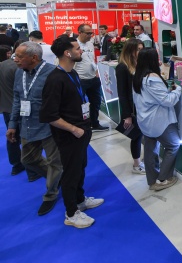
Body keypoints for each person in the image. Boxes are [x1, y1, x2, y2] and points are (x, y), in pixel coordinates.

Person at [40, 36, 105, 229]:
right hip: (70, 135)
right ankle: (71, 213)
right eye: (77, 49)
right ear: (67, 53)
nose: (81, 51)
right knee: (70, 173)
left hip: (81, 132)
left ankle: (79, 200)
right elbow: (50, 115)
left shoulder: (72, 73)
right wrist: (73, 129)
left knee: (80, 167)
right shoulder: (55, 79)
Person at [7, 42, 62, 216]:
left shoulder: (53, 73)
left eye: (19, 56)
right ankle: (56, 177)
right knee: (28, 160)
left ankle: (50, 194)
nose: (14, 59)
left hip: (50, 125)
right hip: (27, 123)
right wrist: (12, 124)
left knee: (55, 162)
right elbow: (17, 99)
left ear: (34, 58)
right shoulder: (18, 73)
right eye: (15, 55)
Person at [132, 48, 181, 191]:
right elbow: (167, 100)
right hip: (158, 121)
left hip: (144, 120)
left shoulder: (137, 75)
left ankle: (152, 180)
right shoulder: (152, 78)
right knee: (173, 145)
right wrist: (177, 90)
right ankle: (163, 178)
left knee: (150, 148)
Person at [0, 45, 37, 180]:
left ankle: (16, 165)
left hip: (6, 108)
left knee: (12, 138)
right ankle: (32, 171)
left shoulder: (3, 66)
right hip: (20, 109)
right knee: (26, 139)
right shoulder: (17, 68)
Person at [115, 38, 145, 174]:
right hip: (132, 109)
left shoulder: (139, 64)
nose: (140, 52)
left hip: (142, 106)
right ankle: (136, 163)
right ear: (130, 50)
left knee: (142, 135)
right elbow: (122, 93)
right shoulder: (122, 67)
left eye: (141, 49)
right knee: (136, 136)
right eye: (138, 49)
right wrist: (127, 115)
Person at [74, 24, 108, 131]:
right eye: (87, 33)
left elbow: (92, 59)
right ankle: (81, 124)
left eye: (91, 33)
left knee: (96, 102)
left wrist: (97, 70)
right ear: (80, 32)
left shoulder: (90, 43)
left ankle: (94, 123)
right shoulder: (74, 45)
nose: (90, 35)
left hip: (93, 78)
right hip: (81, 79)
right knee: (80, 104)